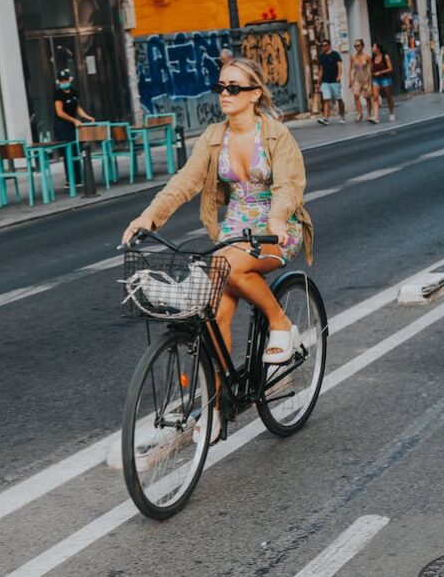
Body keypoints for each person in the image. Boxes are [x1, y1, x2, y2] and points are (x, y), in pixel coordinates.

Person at [122, 58, 313, 442]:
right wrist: (148, 218)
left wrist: (277, 219)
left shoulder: (276, 135)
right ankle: (217, 409)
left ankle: (281, 324)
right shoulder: (213, 137)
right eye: (221, 86)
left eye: (234, 88)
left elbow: (288, 186)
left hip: (277, 230)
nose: (225, 94)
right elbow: (183, 182)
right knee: (215, 315)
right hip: (233, 231)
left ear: (255, 94)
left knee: (228, 265)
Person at [53, 68, 95, 185]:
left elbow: (77, 107)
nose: (64, 83)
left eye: (65, 80)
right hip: (63, 125)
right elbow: (59, 112)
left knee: (77, 149)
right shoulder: (58, 94)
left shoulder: (73, 92)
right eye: (61, 81)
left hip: (73, 125)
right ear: (58, 82)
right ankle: (70, 179)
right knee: (68, 151)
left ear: (69, 79)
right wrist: (74, 120)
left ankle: (78, 177)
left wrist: (86, 117)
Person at [317, 38, 345, 125]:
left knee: (339, 98)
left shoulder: (335, 54)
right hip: (325, 81)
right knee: (326, 99)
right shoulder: (321, 56)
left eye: (325, 45)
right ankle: (325, 118)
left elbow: (339, 66)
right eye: (322, 46)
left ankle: (342, 115)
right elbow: (321, 69)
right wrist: (318, 81)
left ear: (329, 46)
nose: (323, 47)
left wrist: (339, 76)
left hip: (334, 80)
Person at [370, 42, 395, 123]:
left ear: (378, 48)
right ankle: (376, 116)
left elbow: (390, 68)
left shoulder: (385, 56)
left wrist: (380, 72)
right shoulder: (373, 57)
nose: (372, 48)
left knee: (388, 97)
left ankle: (391, 112)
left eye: (373, 47)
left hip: (385, 79)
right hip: (375, 79)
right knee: (375, 97)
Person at [349, 39, 372, 122]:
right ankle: (359, 113)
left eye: (358, 45)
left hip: (366, 78)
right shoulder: (353, 57)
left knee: (367, 97)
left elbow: (370, 69)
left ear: (362, 46)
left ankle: (369, 114)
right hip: (357, 79)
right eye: (355, 46)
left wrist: (368, 81)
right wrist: (350, 79)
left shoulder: (367, 57)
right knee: (356, 95)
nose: (356, 47)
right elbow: (351, 69)